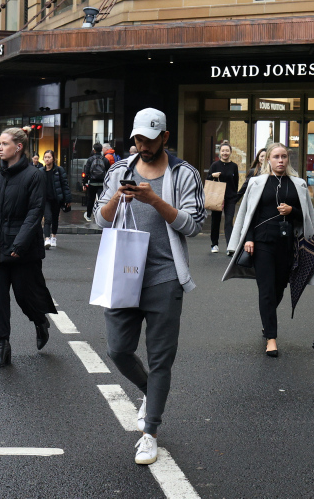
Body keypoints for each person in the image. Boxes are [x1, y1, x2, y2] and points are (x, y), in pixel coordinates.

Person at [94, 108, 205, 466]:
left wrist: (154, 200)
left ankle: (150, 433)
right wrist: (118, 198)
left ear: (165, 137)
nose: (143, 145)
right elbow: (99, 219)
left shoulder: (184, 174)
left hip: (164, 277)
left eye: (150, 139)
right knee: (117, 350)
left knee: (160, 359)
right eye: (138, 139)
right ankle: (149, 391)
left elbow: (194, 225)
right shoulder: (119, 170)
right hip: (124, 274)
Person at [224, 143, 314, 357]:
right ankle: (271, 337)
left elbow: (306, 217)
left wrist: (291, 210)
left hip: (287, 244)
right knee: (267, 289)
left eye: (284, 156)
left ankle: (267, 319)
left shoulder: (298, 184)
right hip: (262, 242)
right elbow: (250, 213)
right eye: (276, 157)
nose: (280, 160)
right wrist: (249, 239)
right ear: (268, 159)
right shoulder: (257, 182)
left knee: (279, 287)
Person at [0, 126, 56, 368]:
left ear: (18, 147)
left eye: (4, 143)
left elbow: (35, 212)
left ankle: (40, 321)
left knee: (26, 295)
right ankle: (3, 347)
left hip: (23, 250)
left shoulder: (34, 176)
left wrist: (20, 243)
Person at [207, 141, 239, 254]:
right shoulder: (215, 165)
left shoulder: (234, 166)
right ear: (219, 152)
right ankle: (214, 244)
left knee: (229, 222)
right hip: (217, 197)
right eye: (223, 151)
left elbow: (236, 182)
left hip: (230, 198)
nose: (225, 153)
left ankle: (230, 246)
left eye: (227, 151)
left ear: (230, 152)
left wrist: (235, 196)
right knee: (216, 221)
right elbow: (208, 180)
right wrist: (212, 175)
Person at [42, 150, 71, 249]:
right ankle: (47, 239)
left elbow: (65, 185)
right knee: (47, 218)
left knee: (55, 218)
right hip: (45, 199)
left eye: (49, 157)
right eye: (45, 157)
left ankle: (53, 237)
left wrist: (67, 199)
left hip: (56, 199)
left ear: (53, 159)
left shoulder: (59, 170)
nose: (47, 159)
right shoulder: (41, 171)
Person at [83, 142, 109, 222]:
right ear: (101, 150)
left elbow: (86, 172)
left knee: (90, 199)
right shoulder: (105, 160)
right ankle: (100, 216)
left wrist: (84, 183)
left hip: (92, 183)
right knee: (101, 200)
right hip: (102, 183)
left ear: (94, 150)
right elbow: (109, 172)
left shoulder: (90, 159)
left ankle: (88, 216)